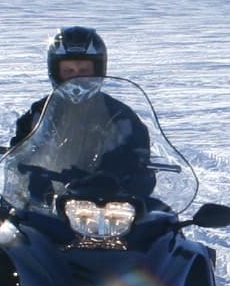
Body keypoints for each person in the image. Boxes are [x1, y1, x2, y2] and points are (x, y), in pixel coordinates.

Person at [8, 26, 155, 201]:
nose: (76, 78)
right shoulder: (39, 113)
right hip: (48, 203)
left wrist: (116, 178)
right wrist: (31, 176)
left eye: (84, 71)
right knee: (12, 223)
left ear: (99, 70)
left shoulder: (121, 116)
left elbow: (138, 162)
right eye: (68, 71)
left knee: (159, 223)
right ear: (55, 71)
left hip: (106, 206)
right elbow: (18, 159)